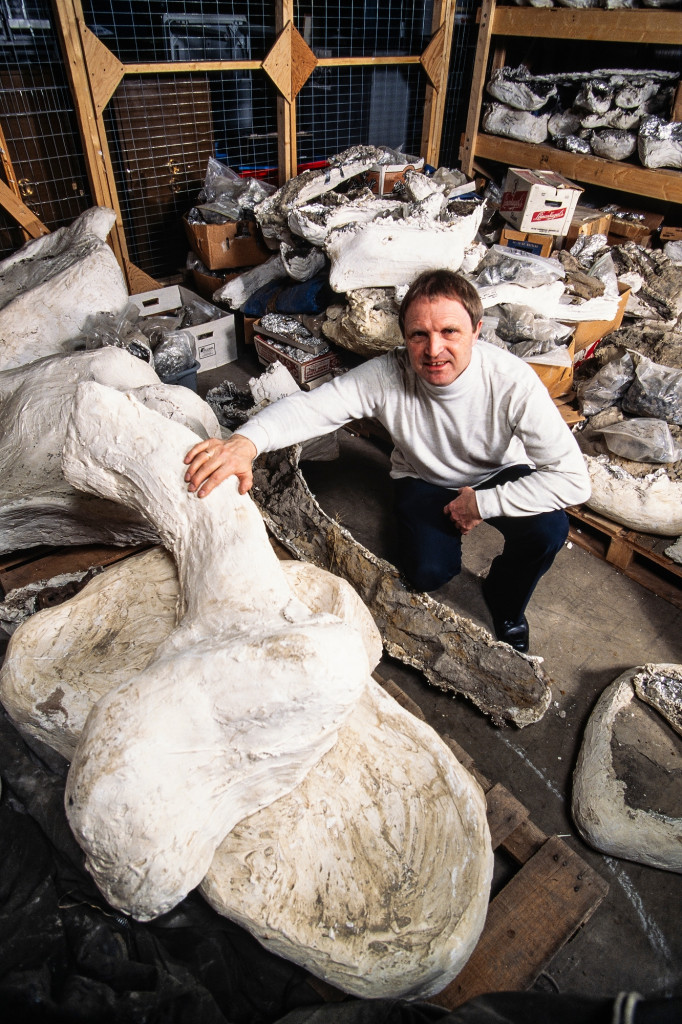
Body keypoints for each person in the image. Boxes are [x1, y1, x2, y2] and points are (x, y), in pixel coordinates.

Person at [184, 269, 591, 653]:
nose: (434, 350)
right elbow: (312, 408)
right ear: (404, 336)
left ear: (476, 332)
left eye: (450, 331)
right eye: (419, 335)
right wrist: (244, 442)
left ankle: (505, 597)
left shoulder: (512, 381)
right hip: (424, 474)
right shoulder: (386, 373)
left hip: (498, 471)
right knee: (428, 573)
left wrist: (482, 504)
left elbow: (574, 480)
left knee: (549, 529)